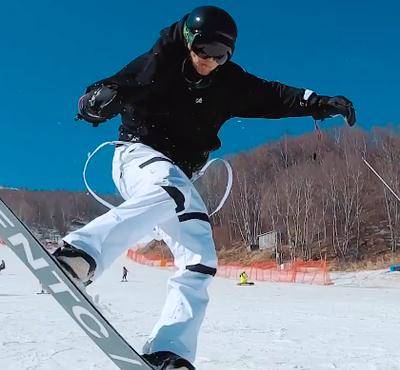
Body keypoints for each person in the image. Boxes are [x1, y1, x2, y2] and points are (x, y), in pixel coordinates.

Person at [53, 5, 355, 369]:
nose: (209, 60)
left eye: (220, 54)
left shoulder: (230, 83)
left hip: (178, 181)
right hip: (139, 157)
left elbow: (275, 95)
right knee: (173, 187)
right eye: (202, 50)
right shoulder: (159, 65)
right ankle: (80, 255)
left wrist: (319, 103)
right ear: (188, 42)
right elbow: (114, 86)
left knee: (200, 258)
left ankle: (170, 350)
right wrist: (94, 103)